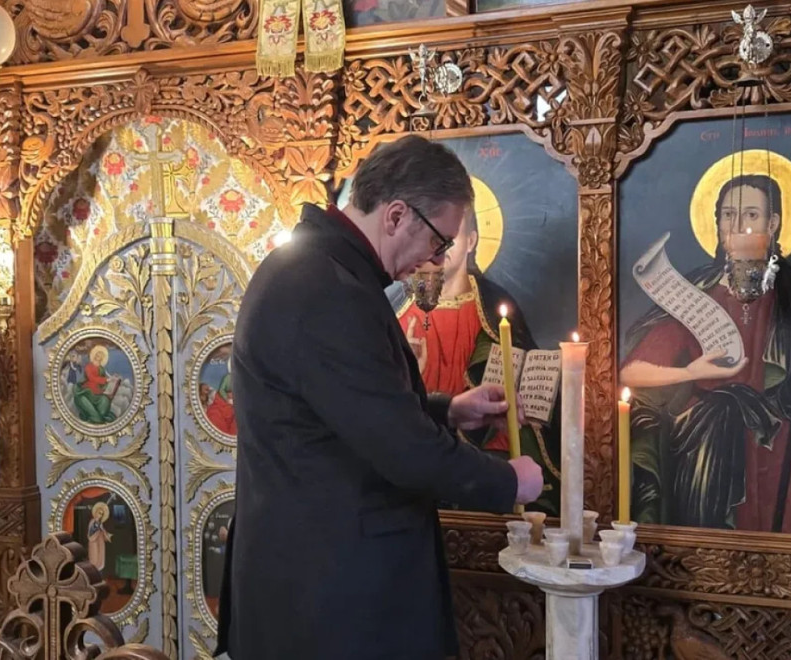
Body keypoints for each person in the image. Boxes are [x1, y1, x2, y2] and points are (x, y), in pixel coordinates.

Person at [216, 135, 544, 660]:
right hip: (331, 600)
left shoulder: (311, 269)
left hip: (317, 580)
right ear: (396, 216)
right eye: (438, 242)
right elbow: (403, 450)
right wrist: (509, 480)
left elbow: (343, 411)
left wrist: (448, 407)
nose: (433, 260)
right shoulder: (326, 290)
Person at [621, 173, 791, 536]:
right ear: (717, 223)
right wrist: (690, 372)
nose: (738, 226)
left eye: (751, 215)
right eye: (728, 215)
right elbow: (632, 373)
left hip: (790, 448)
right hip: (708, 452)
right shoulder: (696, 292)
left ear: (773, 223)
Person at [394, 208, 561, 513]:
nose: (438, 251)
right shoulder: (398, 310)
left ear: (471, 241)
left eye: (449, 239)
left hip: (482, 455)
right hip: (418, 455)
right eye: (432, 239)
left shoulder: (495, 307)